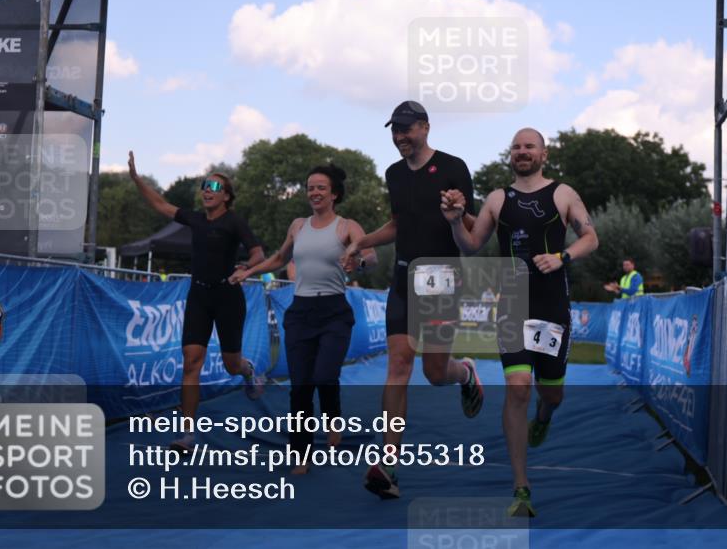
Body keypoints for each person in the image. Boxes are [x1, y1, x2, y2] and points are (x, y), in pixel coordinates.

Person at [441, 128, 599, 517]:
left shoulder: (563, 193)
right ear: (509, 154)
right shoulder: (497, 199)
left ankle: (544, 418)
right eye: (516, 146)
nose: (522, 151)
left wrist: (563, 257)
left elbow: (591, 237)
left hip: (551, 308)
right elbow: (471, 245)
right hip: (512, 304)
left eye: (530, 146)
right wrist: (454, 220)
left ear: (544, 153)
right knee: (517, 387)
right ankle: (521, 487)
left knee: (550, 395)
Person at [343, 100, 484, 500]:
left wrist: (457, 214)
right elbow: (397, 223)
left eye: (406, 128)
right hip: (404, 277)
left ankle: (466, 373)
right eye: (395, 130)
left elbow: (474, 233)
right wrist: (360, 241)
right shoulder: (393, 173)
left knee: (435, 373)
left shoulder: (454, 167)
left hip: (441, 278)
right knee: (399, 364)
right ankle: (389, 464)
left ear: (425, 127)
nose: (400, 136)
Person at [231, 164, 377, 475]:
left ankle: (333, 417)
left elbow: (371, 255)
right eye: (310, 187)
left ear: (334, 194)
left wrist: (358, 259)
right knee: (300, 387)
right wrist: (249, 271)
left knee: (324, 375)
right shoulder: (298, 225)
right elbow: (279, 258)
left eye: (321, 187)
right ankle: (301, 454)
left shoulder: (346, 226)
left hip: (335, 313)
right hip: (300, 313)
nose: (314, 192)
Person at [128, 152, 266, 452]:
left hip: (228, 297)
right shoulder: (194, 219)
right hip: (199, 295)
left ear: (227, 197)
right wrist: (138, 180)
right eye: (205, 185)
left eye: (215, 187)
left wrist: (247, 268)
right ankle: (188, 434)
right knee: (191, 363)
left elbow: (258, 253)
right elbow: (161, 204)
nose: (207, 190)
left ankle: (247, 369)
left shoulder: (234, 222)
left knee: (231, 365)